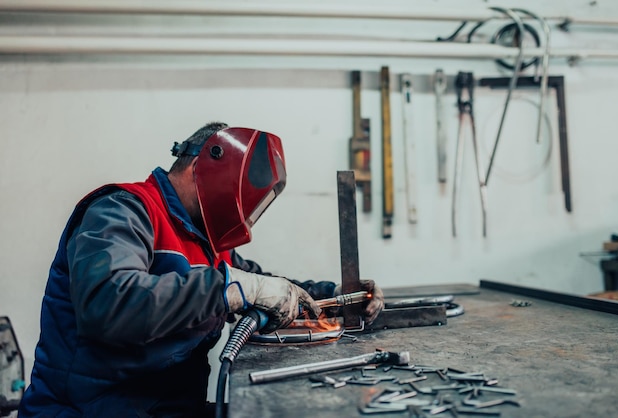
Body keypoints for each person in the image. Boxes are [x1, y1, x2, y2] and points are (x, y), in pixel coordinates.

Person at [19, 122, 384, 417]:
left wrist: (336, 295)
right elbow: (110, 305)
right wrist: (233, 288)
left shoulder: (207, 242)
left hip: (169, 409)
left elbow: (267, 285)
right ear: (199, 167)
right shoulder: (121, 212)